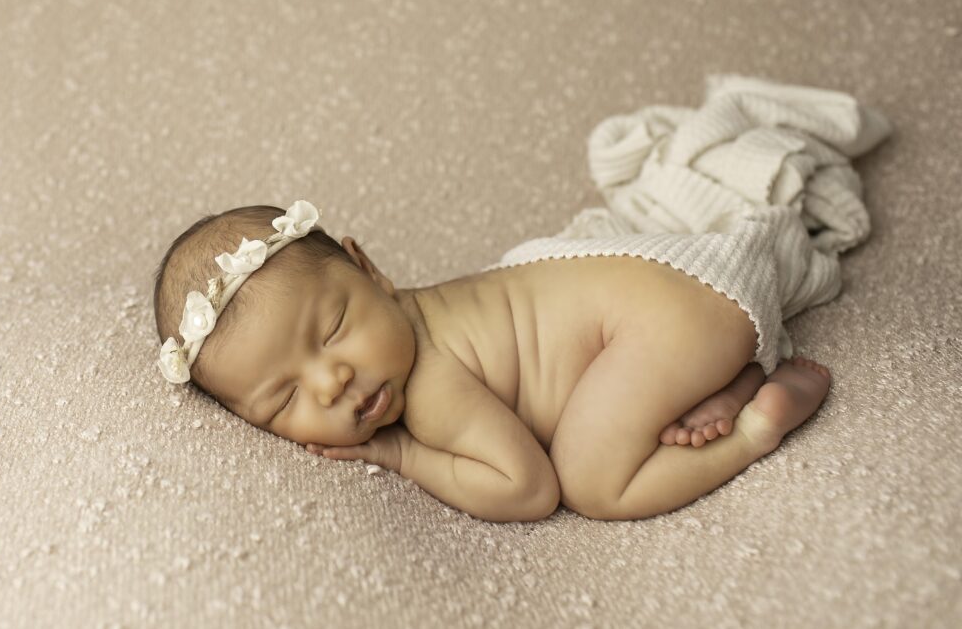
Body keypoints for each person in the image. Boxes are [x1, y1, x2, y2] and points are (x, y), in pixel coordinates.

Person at [153, 200, 830, 522]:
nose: (332, 380)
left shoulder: (433, 381)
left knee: (592, 480)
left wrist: (402, 455)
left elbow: (527, 487)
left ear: (371, 269)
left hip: (674, 317)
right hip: (680, 288)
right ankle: (721, 377)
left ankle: (753, 427)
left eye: (334, 329)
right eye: (284, 399)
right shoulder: (419, 315)